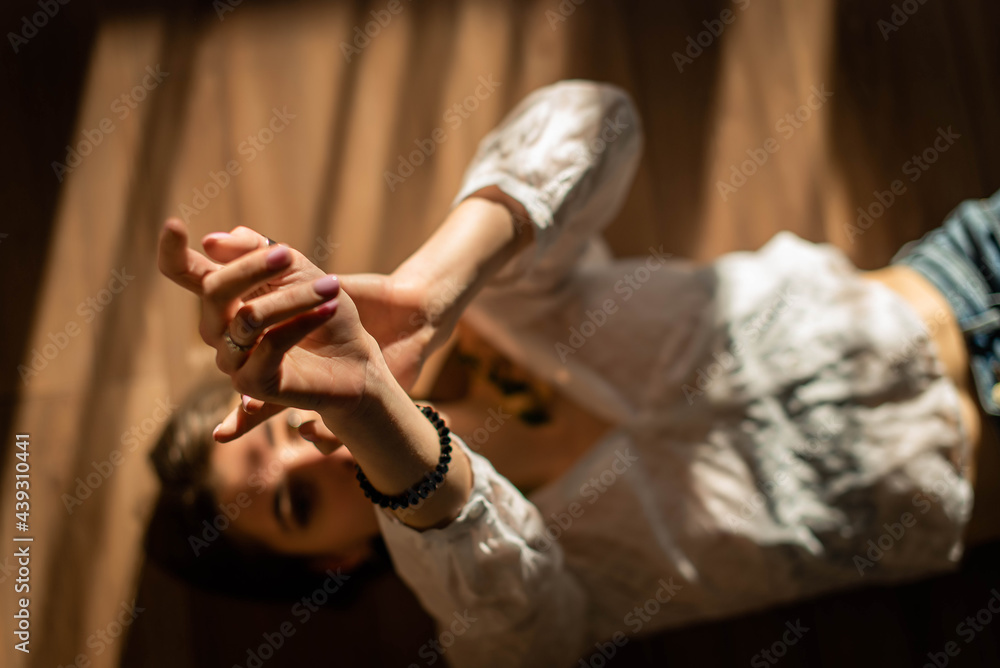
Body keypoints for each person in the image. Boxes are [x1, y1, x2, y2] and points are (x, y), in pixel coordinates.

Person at [154, 80, 999, 667]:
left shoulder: (504, 312)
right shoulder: (497, 606)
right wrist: (374, 410)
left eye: (285, 425)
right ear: (331, 563)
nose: (312, 448)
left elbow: (598, 116)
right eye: (297, 503)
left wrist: (430, 291)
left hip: (969, 270)